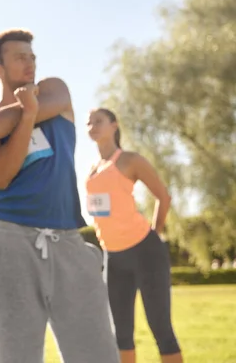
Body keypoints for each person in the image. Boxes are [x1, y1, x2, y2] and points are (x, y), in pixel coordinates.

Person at [0, 29, 119, 363]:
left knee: (97, 354)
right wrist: (26, 116)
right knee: (18, 355)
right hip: (10, 239)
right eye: (20, 57)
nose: (30, 63)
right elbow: (2, 177)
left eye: (32, 56)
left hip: (67, 239)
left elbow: (21, 114)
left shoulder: (55, 90)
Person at [85, 108, 183, 363]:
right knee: (121, 335)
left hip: (145, 252)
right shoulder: (92, 169)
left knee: (161, 328)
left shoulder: (129, 160)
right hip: (114, 259)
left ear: (114, 126)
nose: (92, 125)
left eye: (99, 121)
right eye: (88, 122)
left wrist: (154, 235)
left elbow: (163, 196)